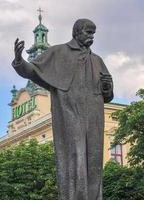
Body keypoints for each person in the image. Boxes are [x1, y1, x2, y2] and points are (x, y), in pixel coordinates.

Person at [12, 18, 113, 200]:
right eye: (88, 32)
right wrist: (19, 61)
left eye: (93, 33)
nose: (92, 37)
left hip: (94, 116)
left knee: (94, 161)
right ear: (76, 32)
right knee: (75, 157)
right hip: (69, 114)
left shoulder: (97, 61)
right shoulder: (58, 53)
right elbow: (33, 71)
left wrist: (107, 86)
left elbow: (108, 95)